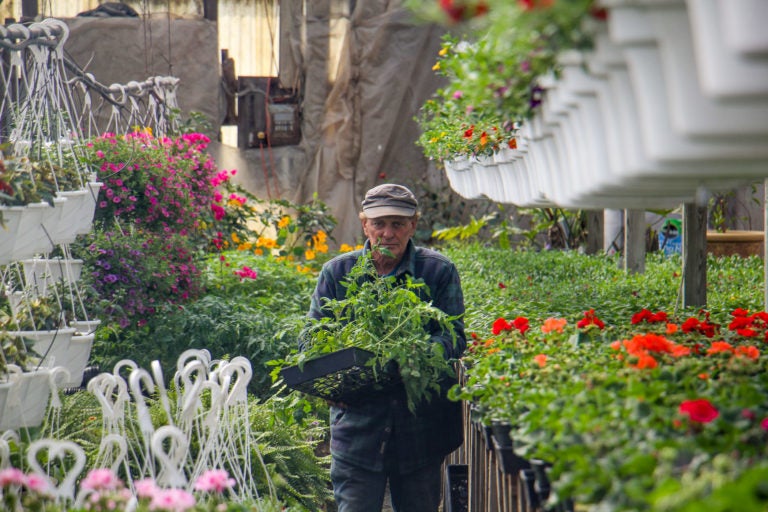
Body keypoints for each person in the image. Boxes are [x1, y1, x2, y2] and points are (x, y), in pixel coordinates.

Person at [305, 183, 466, 512]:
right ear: (364, 224)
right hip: (357, 432)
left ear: (413, 225)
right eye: (379, 223)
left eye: (397, 223)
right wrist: (335, 373)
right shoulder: (337, 274)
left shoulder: (438, 271)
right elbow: (311, 340)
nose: (387, 233)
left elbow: (454, 336)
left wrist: (411, 356)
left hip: (420, 432)